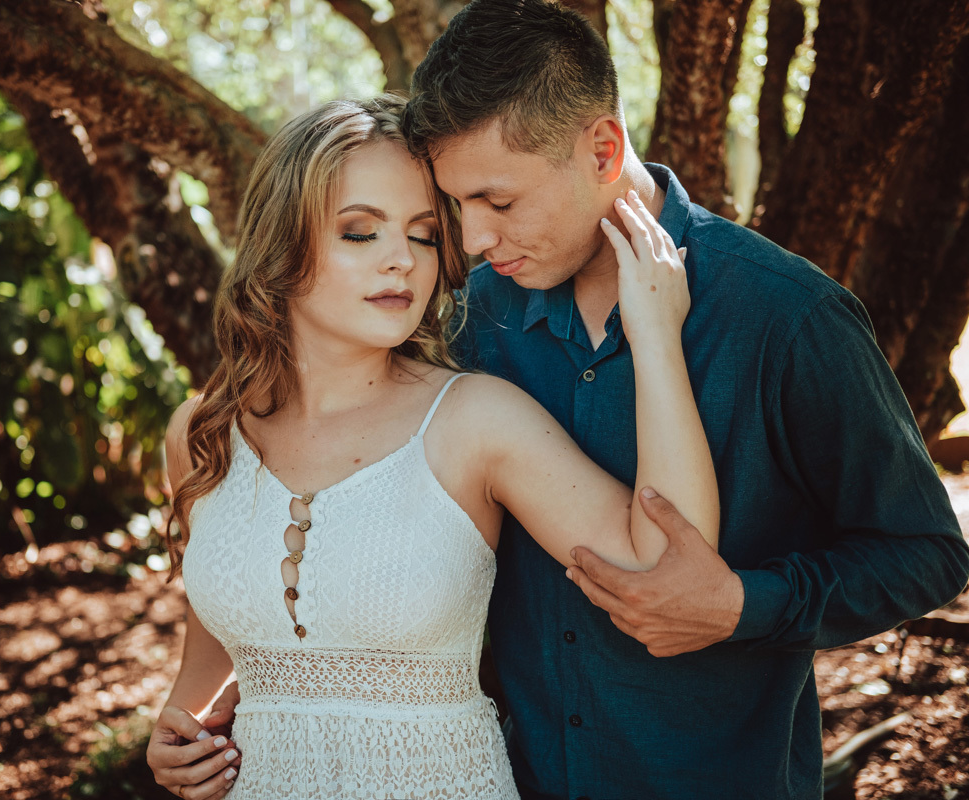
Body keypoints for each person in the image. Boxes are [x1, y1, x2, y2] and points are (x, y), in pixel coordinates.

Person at [393, 1, 969, 798]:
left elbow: (927, 553)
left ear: (602, 149)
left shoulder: (788, 318)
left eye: (499, 201)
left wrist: (746, 604)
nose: (478, 239)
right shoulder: (476, 318)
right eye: (457, 207)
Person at [145, 94, 719, 799]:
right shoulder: (200, 435)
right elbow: (211, 666)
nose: (402, 263)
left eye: (421, 236)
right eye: (360, 233)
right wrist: (179, 740)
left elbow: (669, 562)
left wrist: (656, 336)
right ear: (281, 242)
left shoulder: (474, 420)